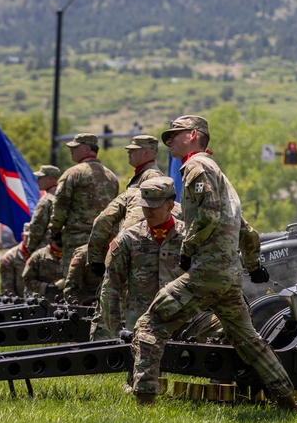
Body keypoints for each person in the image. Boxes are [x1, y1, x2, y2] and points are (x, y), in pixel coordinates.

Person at [130, 115, 297, 410]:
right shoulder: (219, 174)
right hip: (229, 277)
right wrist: (253, 266)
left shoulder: (196, 167)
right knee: (250, 341)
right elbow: (247, 230)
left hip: (206, 273)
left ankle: (144, 401)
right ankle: (287, 401)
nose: (169, 141)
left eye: (175, 135)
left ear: (194, 135)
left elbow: (209, 216)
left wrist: (187, 248)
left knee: (150, 323)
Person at [97, 175, 222, 345]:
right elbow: (111, 287)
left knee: (227, 327)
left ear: (171, 205)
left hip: (185, 321)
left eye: (154, 207)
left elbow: (209, 278)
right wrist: (117, 330)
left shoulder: (190, 237)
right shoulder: (128, 239)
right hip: (144, 325)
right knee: (146, 368)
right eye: (145, 206)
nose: (148, 211)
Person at [86, 135, 166, 276]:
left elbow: (143, 217)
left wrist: (96, 258)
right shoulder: (141, 176)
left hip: (140, 247)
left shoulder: (152, 178)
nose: (129, 152)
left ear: (146, 153)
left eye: (134, 150)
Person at [47, 133, 119, 277]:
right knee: (98, 285)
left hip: (76, 240)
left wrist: (55, 232)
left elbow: (60, 206)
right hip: (103, 241)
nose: (71, 150)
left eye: (75, 147)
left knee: (74, 284)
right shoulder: (111, 176)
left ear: (87, 149)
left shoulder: (73, 174)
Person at [24, 165, 60, 253]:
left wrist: (30, 248)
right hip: (60, 248)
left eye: (40, 178)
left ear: (49, 178)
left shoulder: (46, 200)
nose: (37, 181)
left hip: (44, 250)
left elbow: (36, 228)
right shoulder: (63, 197)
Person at [0, 224, 30, 297]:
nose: (32, 240)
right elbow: (7, 288)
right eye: (28, 237)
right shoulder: (10, 257)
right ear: (22, 236)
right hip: (19, 302)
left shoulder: (40, 255)